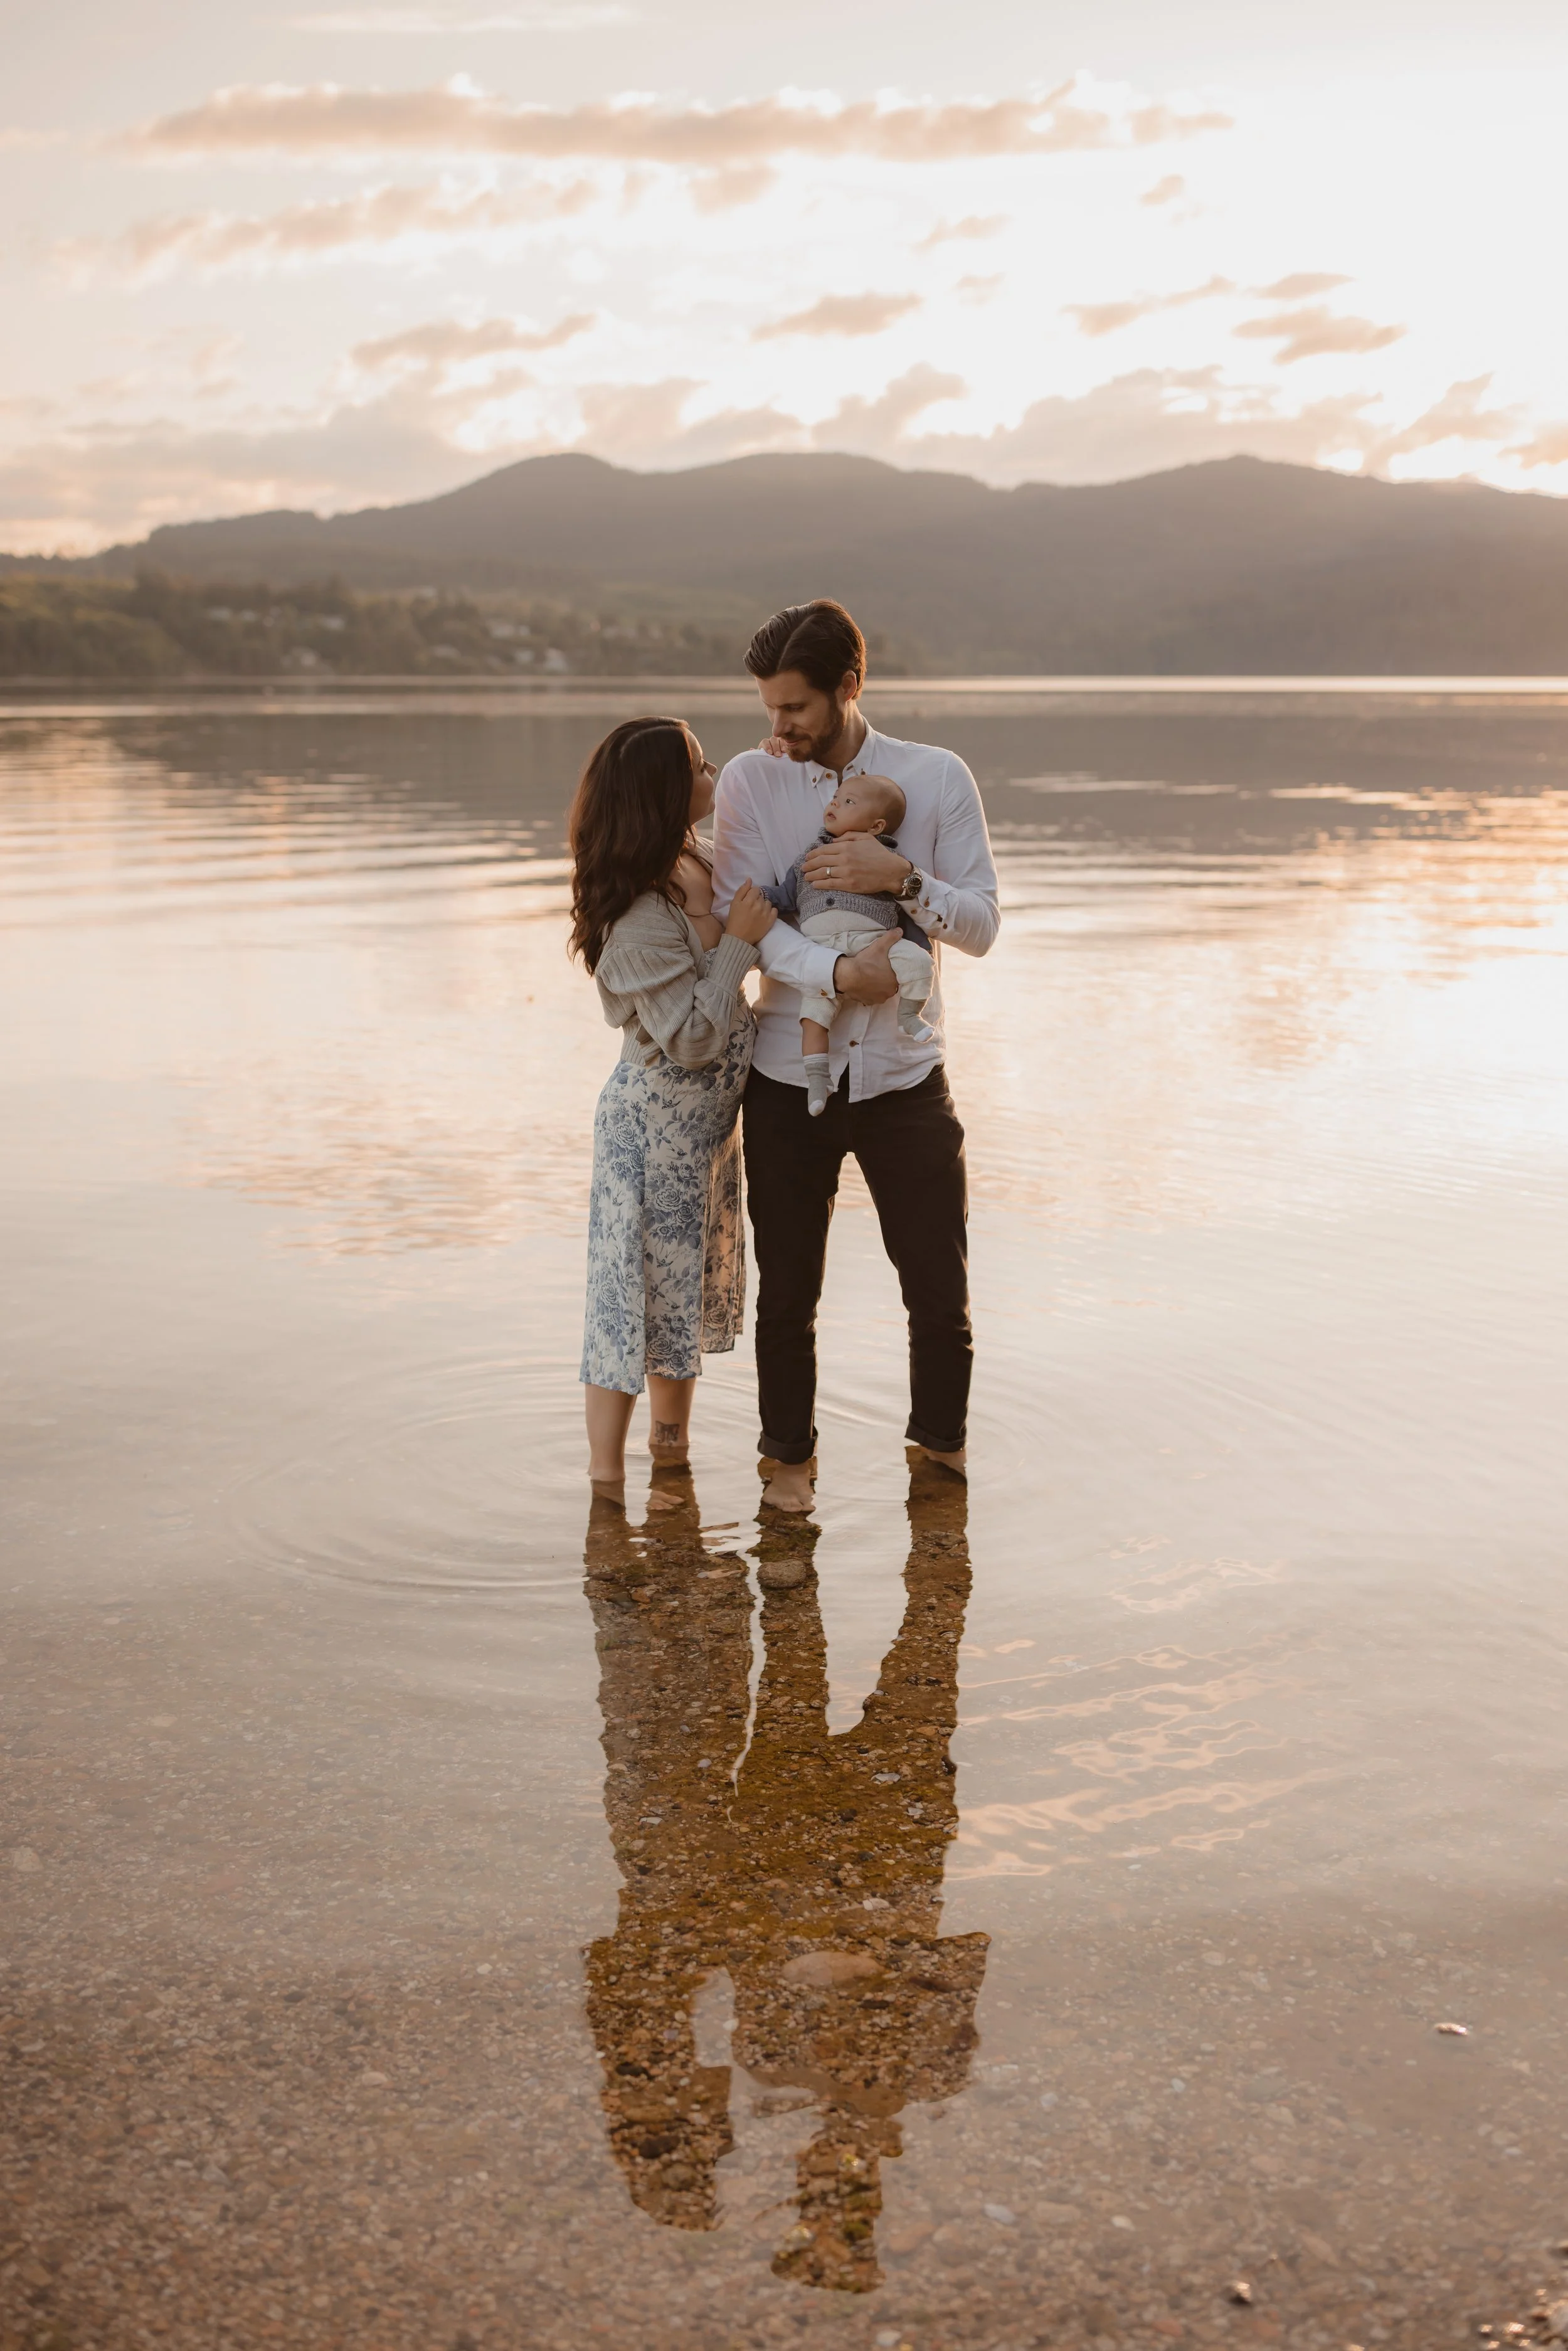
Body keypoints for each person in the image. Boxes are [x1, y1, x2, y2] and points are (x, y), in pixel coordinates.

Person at [710, 599, 1000, 1512]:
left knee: (938, 1296)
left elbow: (984, 926)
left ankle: (939, 1476)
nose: (778, 729)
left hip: (908, 1081)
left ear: (849, 688)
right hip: (787, 1080)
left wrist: (903, 880)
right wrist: (840, 972)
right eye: (768, 708)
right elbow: (745, 925)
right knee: (787, 1299)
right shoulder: (751, 786)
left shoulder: (937, 777)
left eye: (794, 708)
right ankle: (787, 1485)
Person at [570, 715, 776, 1495]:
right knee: (628, 1300)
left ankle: (673, 1458)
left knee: (679, 1296)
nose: (712, 769)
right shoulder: (636, 921)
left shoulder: (697, 858)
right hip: (651, 1134)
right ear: (662, 791)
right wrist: (739, 945)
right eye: (697, 763)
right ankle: (604, 1486)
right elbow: (691, 1037)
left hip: (704, 1139)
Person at [758, 772, 935, 1115]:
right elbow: (789, 892)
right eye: (836, 798)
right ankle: (817, 1079)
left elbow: (904, 913)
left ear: (875, 827)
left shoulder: (886, 860)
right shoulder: (811, 852)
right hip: (822, 954)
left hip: (876, 942)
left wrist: (918, 943)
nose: (835, 803)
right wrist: (769, 897)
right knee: (813, 1018)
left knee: (920, 963)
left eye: (848, 802)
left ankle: (911, 1015)